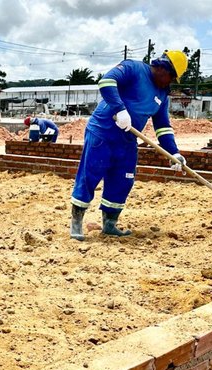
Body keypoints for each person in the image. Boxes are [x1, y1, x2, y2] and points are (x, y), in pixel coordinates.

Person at [69, 50, 188, 239]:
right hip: (102, 132)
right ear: (163, 68)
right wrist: (120, 109)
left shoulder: (162, 95)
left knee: (123, 181)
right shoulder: (134, 68)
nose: (171, 82)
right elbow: (106, 82)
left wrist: (174, 153)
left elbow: (163, 127)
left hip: (127, 141)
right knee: (89, 175)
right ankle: (76, 223)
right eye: (172, 77)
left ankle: (109, 224)